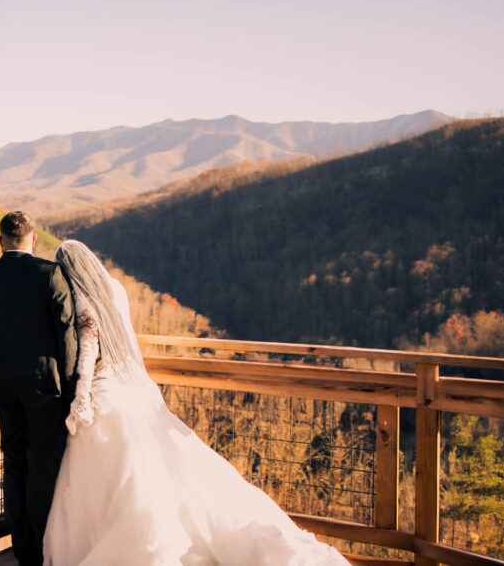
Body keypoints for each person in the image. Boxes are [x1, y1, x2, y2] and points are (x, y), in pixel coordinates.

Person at [43, 239, 351, 566]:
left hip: (104, 390)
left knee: (114, 471)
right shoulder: (115, 291)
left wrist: (81, 401)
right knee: (165, 466)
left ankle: (136, 538)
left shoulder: (80, 302)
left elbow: (88, 354)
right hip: (133, 388)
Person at [0, 212, 79, 566]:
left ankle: (22, 547)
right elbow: (66, 334)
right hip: (44, 384)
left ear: (0, 241)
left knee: (14, 460)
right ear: (33, 240)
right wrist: (71, 385)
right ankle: (42, 543)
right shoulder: (50, 274)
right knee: (45, 462)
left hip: (2, 381)